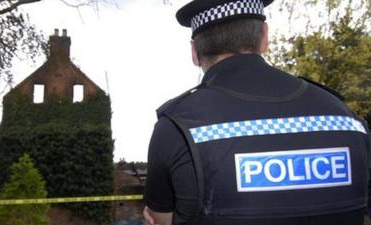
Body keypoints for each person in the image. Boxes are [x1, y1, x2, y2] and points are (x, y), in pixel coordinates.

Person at [143, 0, 371, 224]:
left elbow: (160, 218)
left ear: (194, 52)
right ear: (264, 36)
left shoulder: (176, 126)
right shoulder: (346, 117)